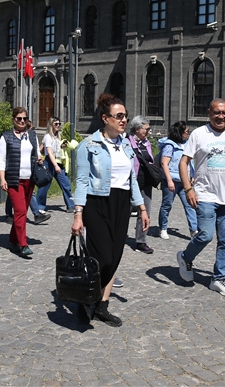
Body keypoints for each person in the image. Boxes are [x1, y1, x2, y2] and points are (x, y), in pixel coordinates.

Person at [72, 93, 148, 327]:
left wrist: (142, 207)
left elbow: (132, 179)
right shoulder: (89, 145)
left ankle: (101, 306)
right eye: (119, 116)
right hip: (97, 202)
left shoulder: (125, 144)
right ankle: (85, 298)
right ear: (105, 118)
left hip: (122, 203)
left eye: (125, 116)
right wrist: (78, 214)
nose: (124, 120)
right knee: (102, 256)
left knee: (115, 256)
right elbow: (81, 181)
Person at [176, 99, 225, 298]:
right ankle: (185, 257)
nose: (221, 116)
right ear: (209, 113)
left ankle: (218, 278)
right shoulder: (199, 134)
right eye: (217, 113)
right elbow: (183, 163)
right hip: (204, 195)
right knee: (205, 235)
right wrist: (188, 189)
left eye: (224, 113)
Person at [0, 107, 45, 256]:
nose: (22, 121)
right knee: (20, 211)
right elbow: (1, 159)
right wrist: (2, 178)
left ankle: (13, 241)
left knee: (21, 212)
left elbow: (36, 152)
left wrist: (39, 158)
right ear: (13, 120)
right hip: (14, 180)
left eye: (25, 118)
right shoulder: (6, 137)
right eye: (19, 118)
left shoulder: (32, 135)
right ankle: (23, 244)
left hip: (29, 179)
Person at [158, 121, 198, 238]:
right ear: (179, 132)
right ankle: (163, 228)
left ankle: (194, 230)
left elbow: (189, 162)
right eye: (186, 132)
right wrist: (169, 181)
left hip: (184, 181)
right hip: (172, 180)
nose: (188, 134)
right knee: (167, 205)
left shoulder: (186, 144)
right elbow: (164, 164)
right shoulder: (169, 145)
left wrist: (192, 175)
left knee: (190, 205)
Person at [32, 117, 74, 214]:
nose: (58, 126)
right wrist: (55, 165)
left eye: (59, 124)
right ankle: (39, 206)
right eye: (56, 124)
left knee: (66, 184)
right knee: (44, 185)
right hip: (50, 163)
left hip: (59, 162)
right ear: (51, 125)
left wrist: (62, 146)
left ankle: (70, 205)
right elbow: (50, 153)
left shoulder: (58, 136)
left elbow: (56, 149)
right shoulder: (48, 137)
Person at [128, 115, 155, 254]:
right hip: (130, 182)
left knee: (145, 212)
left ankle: (141, 241)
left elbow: (149, 160)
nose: (148, 131)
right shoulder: (127, 142)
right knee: (124, 212)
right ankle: (117, 237)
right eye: (146, 129)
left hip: (146, 182)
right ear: (137, 129)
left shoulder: (146, 143)